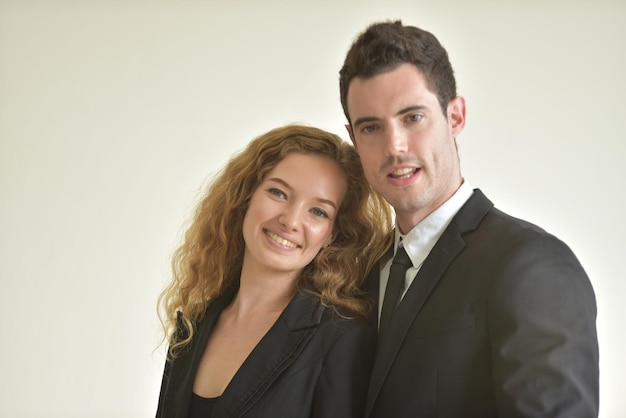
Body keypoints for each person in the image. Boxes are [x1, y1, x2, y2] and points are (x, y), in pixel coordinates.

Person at [339, 20, 599, 417]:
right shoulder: (362, 277)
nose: (395, 146)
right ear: (354, 139)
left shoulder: (532, 264)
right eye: (371, 127)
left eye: (413, 117)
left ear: (455, 116)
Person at [155, 124, 392, 418]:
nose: (291, 221)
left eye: (319, 211)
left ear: (332, 234)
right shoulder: (192, 326)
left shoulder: (342, 341)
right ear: (246, 196)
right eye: (279, 193)